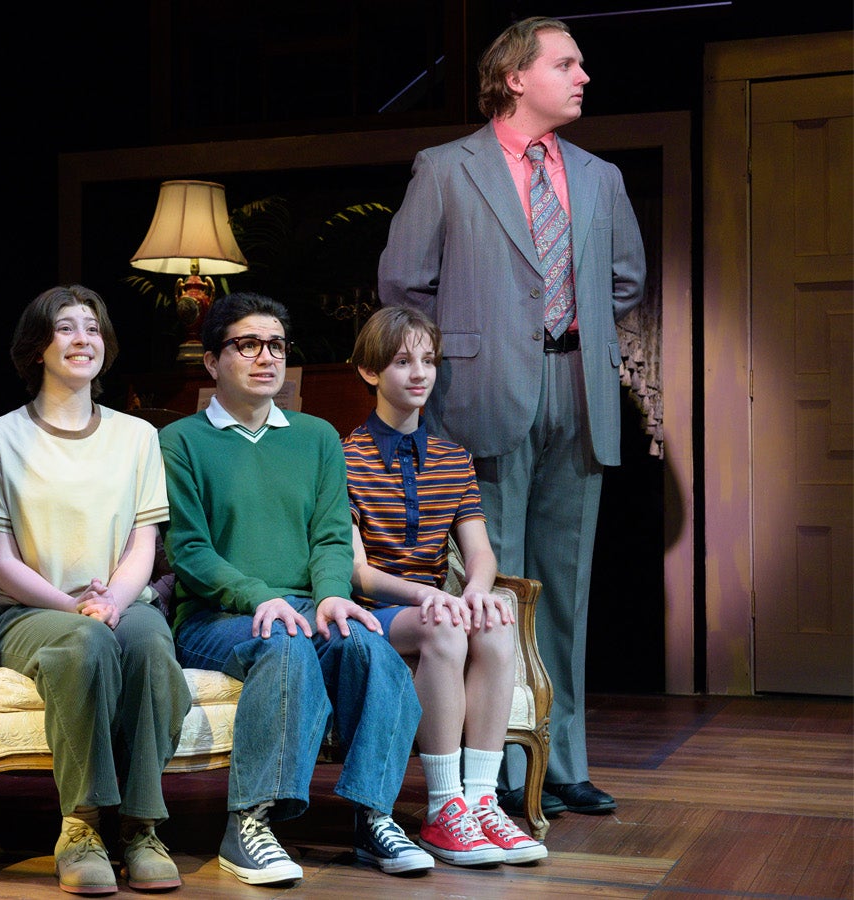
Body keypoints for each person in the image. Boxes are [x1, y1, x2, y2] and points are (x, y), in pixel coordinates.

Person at [377, 16, 646, 817]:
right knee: (494, 587)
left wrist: (576, 333)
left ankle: (560, 762)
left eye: (581, 63)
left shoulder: (598, 177)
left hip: (577, 389)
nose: (583, 75)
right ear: (516, 76)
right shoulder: (446, 168)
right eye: (566, 62)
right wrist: (462, 350)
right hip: (481, 392)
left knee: (563, 589)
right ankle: (489, 769)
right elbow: (403, 284)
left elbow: (626, 279)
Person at [159, 292, 432, 885]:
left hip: (307, 605)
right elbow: (189, 551)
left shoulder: (315, 438)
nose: (266, 357)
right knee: (284, 644)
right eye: (247, 344)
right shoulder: (180, 441)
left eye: (276, 345)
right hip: (214, 618)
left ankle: (373, 816)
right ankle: (249, 823)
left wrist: (335, 594)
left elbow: (333, 536)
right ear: (211, 361)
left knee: (368, 645)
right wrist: (258, 596)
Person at [0, 285, 190, 895]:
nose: (83, 339)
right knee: (84, 645)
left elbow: (144, 544)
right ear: (37, 348)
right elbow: (0, 562)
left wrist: (111, 600)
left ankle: (140, 827)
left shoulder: (137, 436)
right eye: (66, 328)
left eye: (93, 327)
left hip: (119, 601)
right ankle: (81, 827)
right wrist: (76, 608)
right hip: (33, 609)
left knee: (148, 644)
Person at [343, 306, 547, 866]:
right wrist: (427, 596)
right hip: (373, 613)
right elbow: (356, 571)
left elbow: (479, 553)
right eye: (402, 361)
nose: (419, 373)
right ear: (369, 372)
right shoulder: (344, 457)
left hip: (437, 608)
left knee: (497, 619)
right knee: (447, 627)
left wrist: (477, 592)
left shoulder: (452, 459)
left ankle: (481, 800)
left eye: (428, 361)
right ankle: (442, 808)